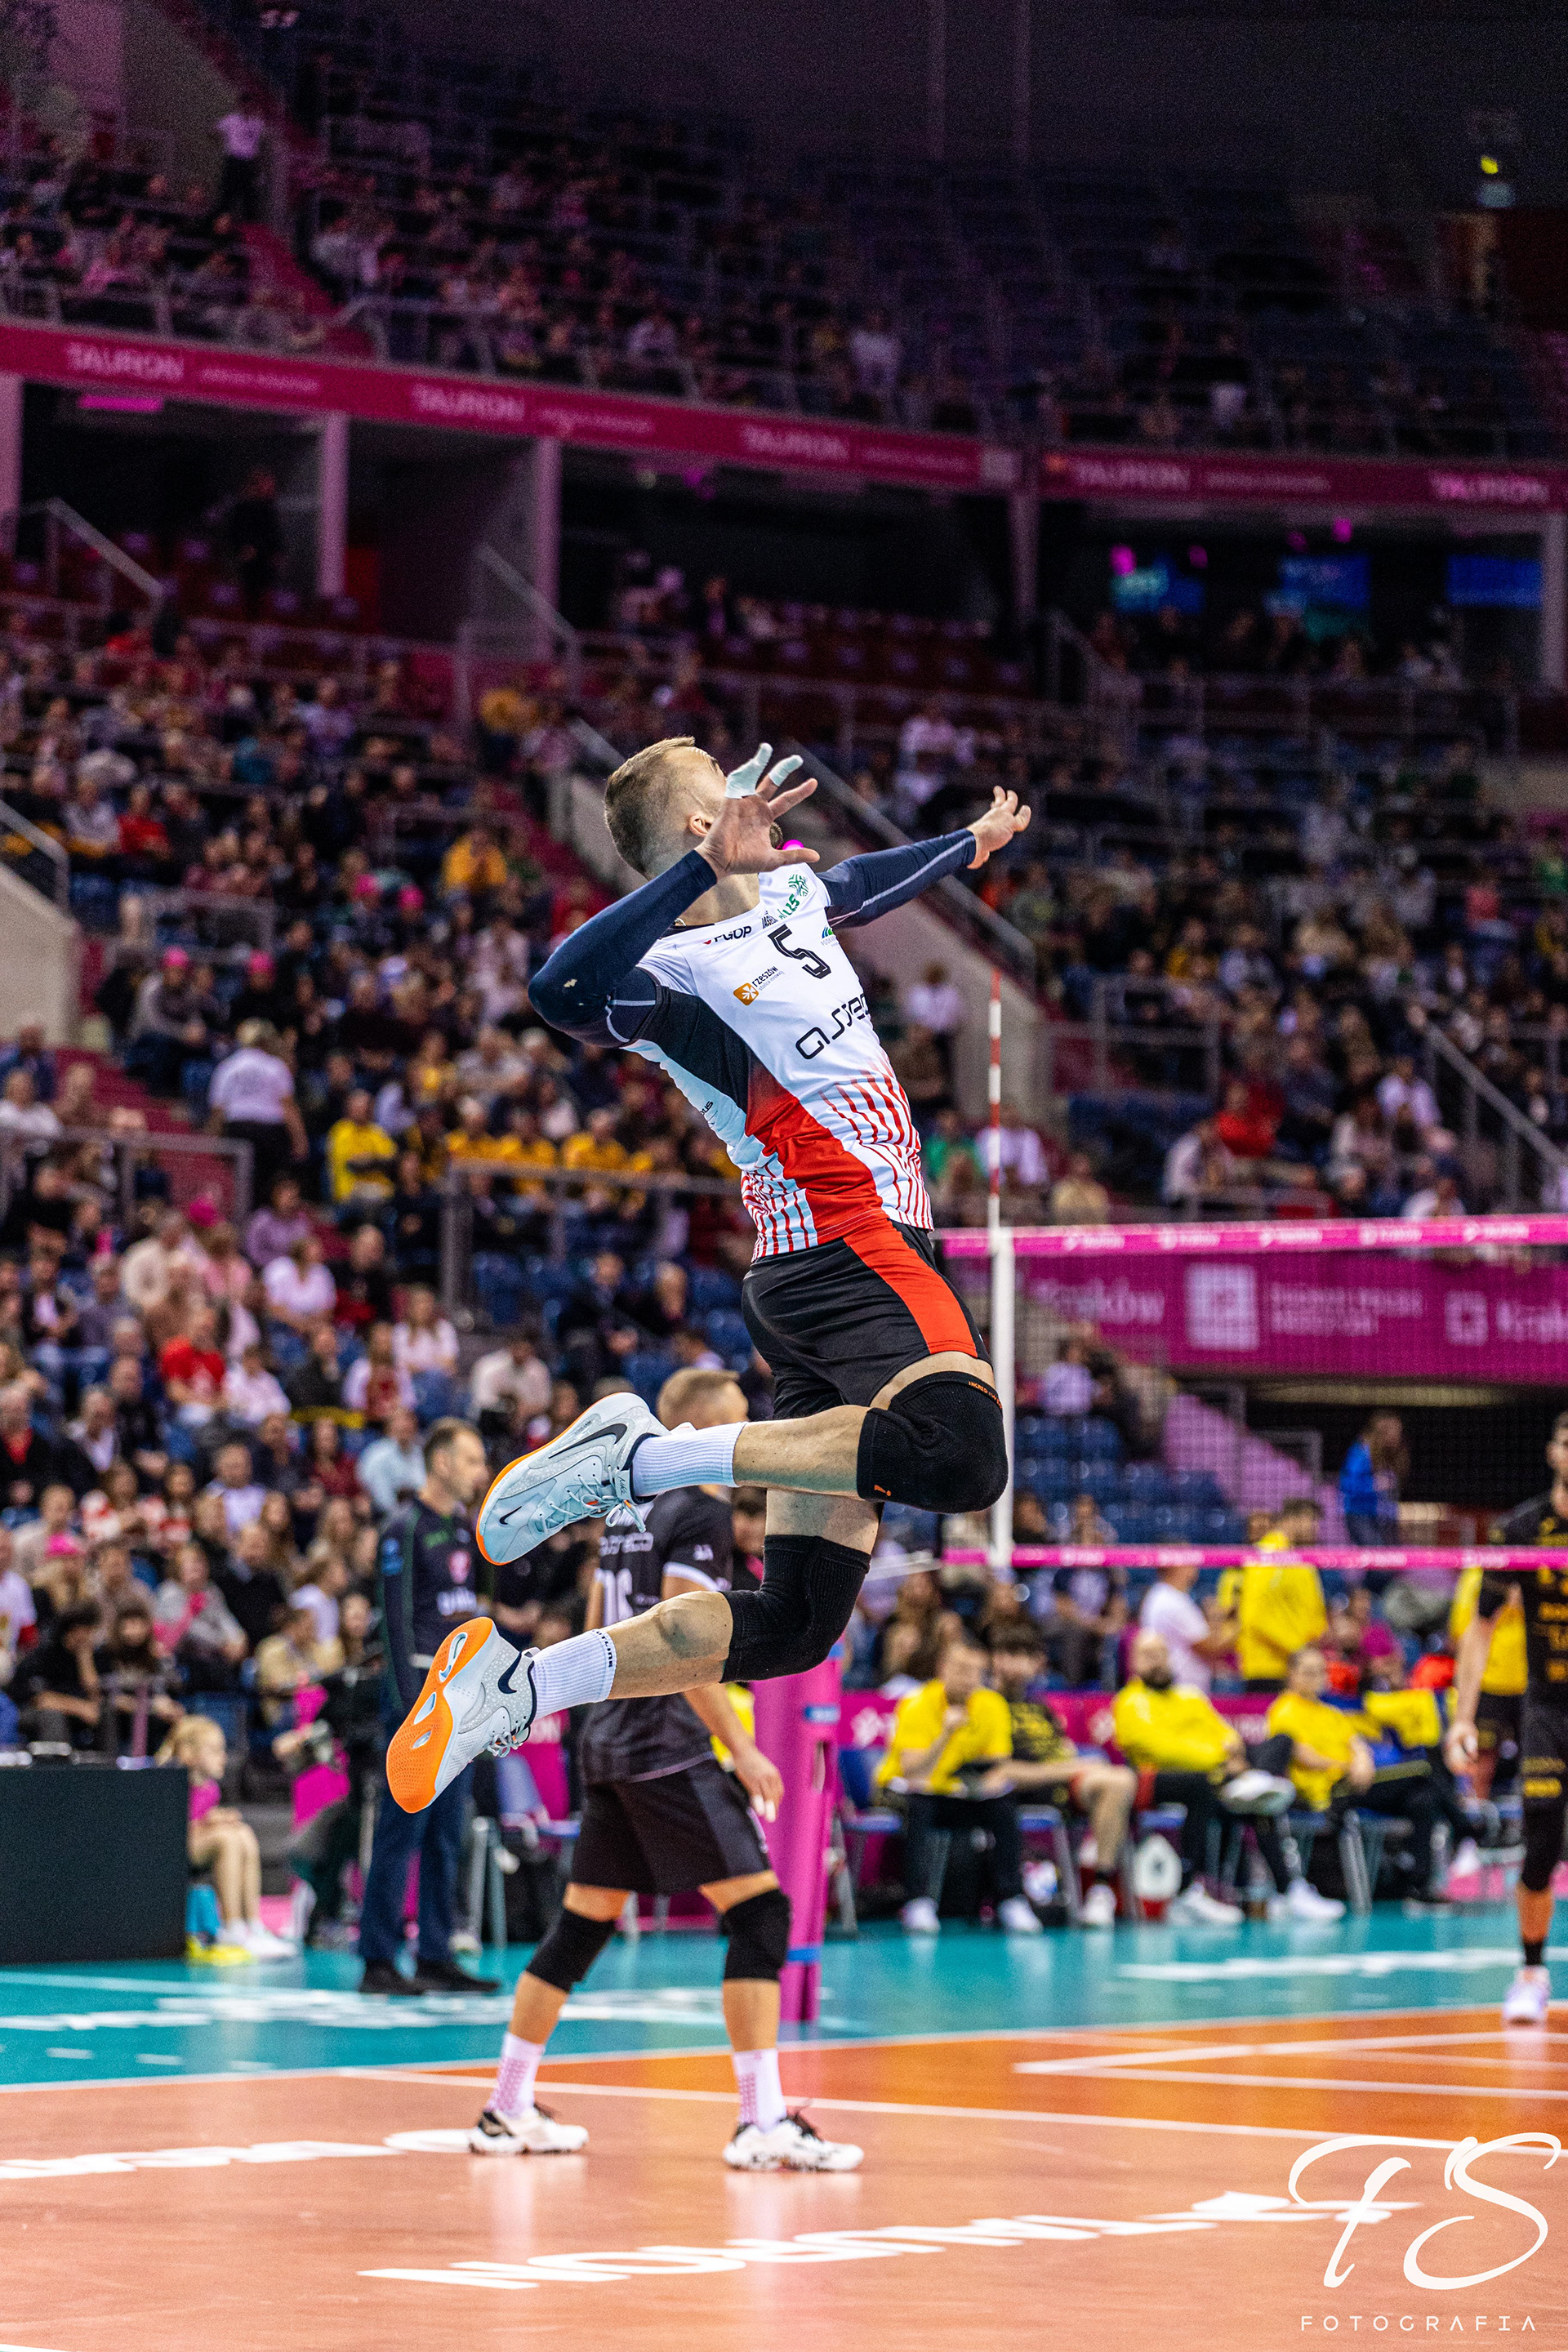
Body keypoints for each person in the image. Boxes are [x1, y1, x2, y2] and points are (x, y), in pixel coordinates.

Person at [385, 742, 1030, 1815]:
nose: (750, 788)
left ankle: (518, 1686)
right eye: (722, 782)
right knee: (963, 1457)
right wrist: (700, 872)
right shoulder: (676, 975)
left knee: (797, 1623)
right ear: (700, 827)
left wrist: (970, 843)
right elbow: (559, 990)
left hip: (834, 1268)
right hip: (848, 1238)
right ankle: (642, 1458)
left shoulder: (792, 894)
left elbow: (862, 885)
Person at [469, 1365, 862, 2172]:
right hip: (664, 1742)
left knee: (583, 1925)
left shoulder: (626, 1508)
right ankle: (759, 2121)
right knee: (760, 1916)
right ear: (698, 1426)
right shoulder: (700, 1509)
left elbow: (597, 1627)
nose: (748, 1433)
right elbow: (688, 1646)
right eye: (736, 1418)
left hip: (607, 1738)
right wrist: (741, 1748)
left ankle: (507, 2105)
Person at [359, 1418, 500, 1995]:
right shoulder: (404, 1527)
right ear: (441, 1462)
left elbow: (472, 1613)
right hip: (419, 1697)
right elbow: (394, 1624)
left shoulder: (465, 1529)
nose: (480, 1472)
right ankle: (378, 1958)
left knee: (448, 1832)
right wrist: (407, 1708)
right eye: (471, 1460)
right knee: (402, 1829)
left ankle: (436, 1953)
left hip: (461, 1697)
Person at [1447, 1412, 1568, 2022]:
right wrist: (1462, 1718)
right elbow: (1481, 1626)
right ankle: (1531, 1972)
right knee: (1542, 1838)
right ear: (1552, 1452)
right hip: (1547, 1705)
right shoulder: (1521, 1530)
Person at [1111, 1629, 1341, 1924]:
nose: (1157, 1661)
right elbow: (1157, 1747)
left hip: (1217, 1779)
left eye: (1161, 1653)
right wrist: (1220, 1760)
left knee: (1277, 1757)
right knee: (1233, 1791)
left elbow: (1225, 1733)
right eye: (1148, 1655)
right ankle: (1190, 1891)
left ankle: (1289, 1890)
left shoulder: (1190, 1698)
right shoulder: (1129, 1701)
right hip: (1168, 1782)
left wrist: (1232, 1752)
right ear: (1133, 1662)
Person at [875, 1625, 1041, 1937]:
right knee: (920, 1806)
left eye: (976, 1671)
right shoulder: (917, 1703)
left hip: (960, 1794)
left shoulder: (992, 1705)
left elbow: (998, 1764)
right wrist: (946, 1734)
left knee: (1003, 1807)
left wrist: (989, 1783)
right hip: (906, 1791)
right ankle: (917, 1902)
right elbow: (913, 1772)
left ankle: (1011, 1899)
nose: (968, 1678)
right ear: (943, 1668)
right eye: (961, 1668)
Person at [1272, 1645, 1465, 1909]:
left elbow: (1357, 1744)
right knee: (1423, 1769)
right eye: (1308, 1672)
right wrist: (1347, 1766)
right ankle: (1467, 1829)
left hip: (1357, 1784)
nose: (1316, 1678)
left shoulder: (1329, 1711)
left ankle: (1419, 1886)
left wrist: (1362, 1761)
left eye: (1320, 1671)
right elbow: (1303, 1755)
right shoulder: (1284, 1710)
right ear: (1291, 1675)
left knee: (1423, 1800)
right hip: (1330, 1791)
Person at [983, 1624, 1132, 1926]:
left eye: (1024, 1656)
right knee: (1115, 1779)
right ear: (994, 1659)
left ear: (1036, 1663)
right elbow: (1000, 1772)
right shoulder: (987, 1705)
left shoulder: (1039, 1706)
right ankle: (1096, 1879)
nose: (1015, 1664)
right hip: (1024, 1792)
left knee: (1121, 1781)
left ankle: (1100, 1889)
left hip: (1063, 1783)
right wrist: (1070, 1768)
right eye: (1007, 1654)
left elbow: (1062, 1750)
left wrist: (1077, 1763)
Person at [162, 1715, 293, 1956]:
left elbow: (202, 1818)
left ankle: (252, 1924)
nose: (223, 1757)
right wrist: (209, 1822)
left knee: (243, 1833)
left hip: (198, 1841)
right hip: (173, 1851)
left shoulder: (211, 1789)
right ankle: (232, 1926)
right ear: (188, 1753)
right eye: (214, 1751)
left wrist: (216, 1818)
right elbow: (168, 1829)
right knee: (227, 1839)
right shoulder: (172, 1784)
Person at [1449, 1559, 1524, 1799]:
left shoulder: (1543, 1572)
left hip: (1532, 1688)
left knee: (1539, 1767)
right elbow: (1461, 1636)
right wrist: (1463, 1714)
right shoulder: (1476, 1576)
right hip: (1487, 1686)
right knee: (1479, 1766)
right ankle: (1474, 1817)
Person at [207, 1022, 305, 1202]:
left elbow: (218, 1109)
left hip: (237, 1128)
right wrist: (300, 1140)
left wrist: (213, 1140)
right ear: (265, 1042)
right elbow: (288, 1107)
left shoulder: (228, 1067)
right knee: (269, 1182)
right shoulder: (275, 1066)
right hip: (270, 1132)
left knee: (242, 1179)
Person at [1139, 1557, 1236, 1694]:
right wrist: (1243, 1628)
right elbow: (1209, 1648)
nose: (1194, 1565)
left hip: (1178, 1686)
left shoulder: (1159, 1594)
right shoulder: (1174, 1601)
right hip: (1182, 1688)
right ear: (1175, 1567)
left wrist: (1217, 1620)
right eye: (1188, 1561)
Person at [1339, 1414, 1407, 1545]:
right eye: (1395, 1431)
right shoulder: (1361, 1452)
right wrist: (1373, 1485)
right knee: (1375, 1552)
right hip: (1359, 1514)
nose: (1398, 1435)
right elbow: (1347, 1484)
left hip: (1381, 1517)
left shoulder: (1389, 1454)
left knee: (1390, 1552)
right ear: (1382, 1432)